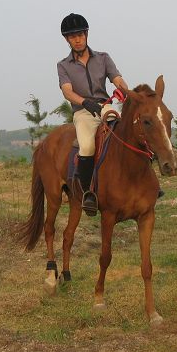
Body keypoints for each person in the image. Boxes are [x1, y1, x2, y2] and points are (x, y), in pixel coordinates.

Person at [57, 13, 129, 216]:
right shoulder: (63, 65)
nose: (77, 39)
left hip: (105, 106)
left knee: (130, 132)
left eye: (80, 34)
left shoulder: (103, 57)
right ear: (67, 40)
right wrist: (85, 103)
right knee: (87, 146)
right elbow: (67, 91)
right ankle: (88, 193)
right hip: (83, 111)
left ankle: (145, 180)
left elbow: (117, 79)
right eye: (72, 36)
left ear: (86, 34)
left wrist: (126, 92)